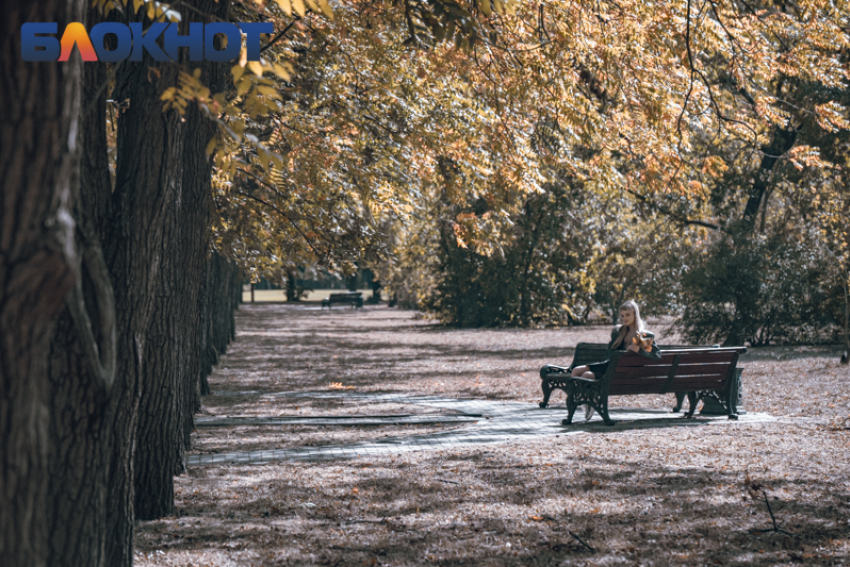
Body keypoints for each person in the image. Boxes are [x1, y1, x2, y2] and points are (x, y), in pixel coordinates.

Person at [569, 300, 662, 420]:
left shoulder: (641, 335)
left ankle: (591, 403)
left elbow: (656, 356)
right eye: (622, 315)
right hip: (610, 365)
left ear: (635, 315)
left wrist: (639, 350)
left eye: (628, 315)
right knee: (576, 371)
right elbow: (609, 352)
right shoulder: (620, 331)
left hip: (624, 371)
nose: (625, 318)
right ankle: (587, 401)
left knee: (587, 374)